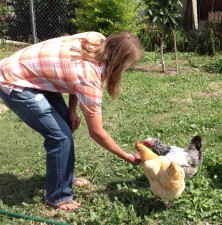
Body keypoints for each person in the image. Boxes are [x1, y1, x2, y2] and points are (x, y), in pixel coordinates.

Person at [0, 31, 142, 211]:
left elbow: (73, 79)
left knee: (64, 127)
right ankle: (57, 196)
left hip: (35, 75)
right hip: (14, 80)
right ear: (119, 61)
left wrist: (72, 110)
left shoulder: (96, 39)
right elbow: (96, 132)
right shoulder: (89, 79)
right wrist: (126, 156)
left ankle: (66, 177)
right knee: (60, 137)